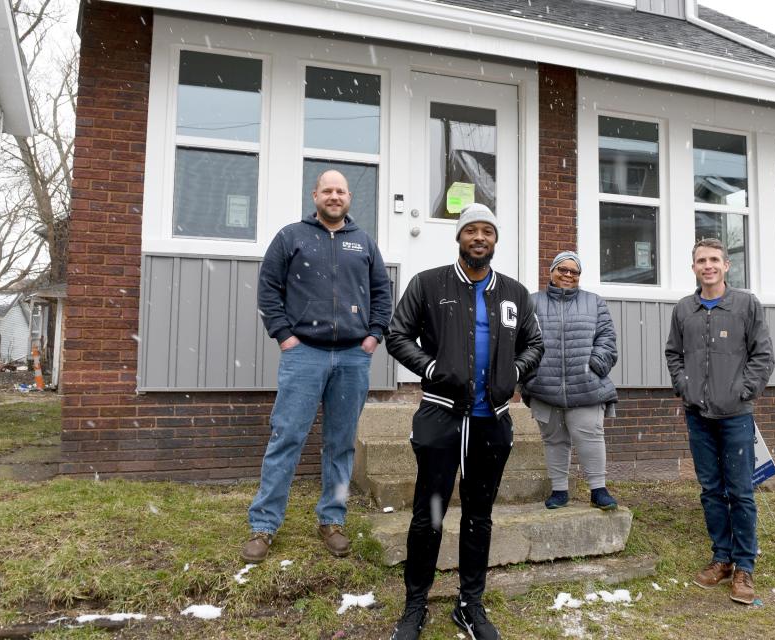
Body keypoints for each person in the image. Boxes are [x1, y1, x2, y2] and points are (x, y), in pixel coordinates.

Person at [386, 203, 543, 640]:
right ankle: (415, 605)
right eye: (471, 231)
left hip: (491, 421)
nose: (479, 238)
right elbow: (396, 335)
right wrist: (432, 368)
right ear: (458, 238)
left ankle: (469, 604)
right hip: (441, 415)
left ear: (495, 240)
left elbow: (535, 344)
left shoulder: (514, 292)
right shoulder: (429, 284)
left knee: (479, 516)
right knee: (428, 516)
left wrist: (514, 372)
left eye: (487, 232)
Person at [242, 169, 392, 563]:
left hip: (352, 358)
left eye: (340, 190)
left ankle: (332, 519)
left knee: (341, 444)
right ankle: (263, 525)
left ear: (348, 198)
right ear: (315, 195)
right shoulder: (291, 237)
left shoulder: (363, 243)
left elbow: (382, 292)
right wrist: (284, 336)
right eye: (327, 190)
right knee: (287, 437)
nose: (334, 196)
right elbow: (268, 289)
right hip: (303, 353)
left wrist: (373, 336)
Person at [664, 237, 775, 605]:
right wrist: (685, 387)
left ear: (727, 265)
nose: (707, 266)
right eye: (700, 260)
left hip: (736, 417)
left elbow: (763, 356)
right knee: (711, 490)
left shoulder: (746, 305)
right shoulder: (684, 309)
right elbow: (673, 354)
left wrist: (744, 391)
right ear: (693, 267)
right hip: (698, 416)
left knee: (741, 492)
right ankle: (722, 559)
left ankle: (744, 566)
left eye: (714, 259)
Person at [522, 250, 619, 511]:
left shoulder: (594, 302)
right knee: (554, 439)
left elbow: (607, 340)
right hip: (545, 386)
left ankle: (598, 489)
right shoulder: (532, 302)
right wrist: (532, 373)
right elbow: (521, 341)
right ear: (551, 272)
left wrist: (594, 366)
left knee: (590, 435)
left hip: (586, 385)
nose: (567, 275)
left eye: (573, 271)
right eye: (562, 269)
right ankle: (559, 491)